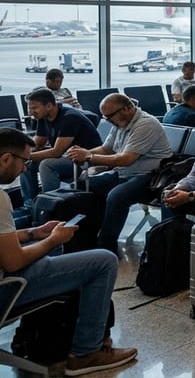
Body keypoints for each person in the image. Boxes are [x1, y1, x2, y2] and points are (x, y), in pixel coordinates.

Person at [0, 128, 138, 375]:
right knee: (104, 261)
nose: (24, 169)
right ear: (6, 159)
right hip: (5, 288)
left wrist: (33, 233)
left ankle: (39, 337)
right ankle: (86, 353)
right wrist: (52, 240)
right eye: (24, 161)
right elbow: (13, 262)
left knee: (58, 252)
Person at [65, 94, 172, 255]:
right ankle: (86, 236)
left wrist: (88, 157)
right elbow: (107, 149)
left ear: (127, 108)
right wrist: (83, 152)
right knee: (80, 186)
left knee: (117, 196)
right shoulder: (120, 123)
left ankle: (106, 247)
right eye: (104, 117)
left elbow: (126, 158)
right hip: (123, 172)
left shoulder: (146, 124)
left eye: (110, 116)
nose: (107, 120)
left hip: (150, 177)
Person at [24, 88, 103, 211]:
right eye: (29, 108)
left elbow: (56, 152)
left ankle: (51, 205)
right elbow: (38, 143)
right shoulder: (43, 117)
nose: (30, 112)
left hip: (86, 159)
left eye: (34, 108)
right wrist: (21, 153)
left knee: (47, 165)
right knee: (26, 163)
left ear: (49, 105)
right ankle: (31, 204)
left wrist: (25, 155)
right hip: (68, 156)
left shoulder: (70, 117)